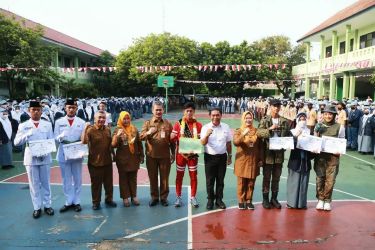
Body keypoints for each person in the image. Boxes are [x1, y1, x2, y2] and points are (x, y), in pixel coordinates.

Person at [14, 100, 55, 219]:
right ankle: (37, 207)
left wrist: (46, 151)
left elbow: (51, 141)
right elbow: (16, 142)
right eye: (33, 110)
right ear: (29, 111)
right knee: (33, 184)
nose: (36, 112)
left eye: (38, 110)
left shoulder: (47, 124)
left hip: (45, 156)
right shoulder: (24, 125)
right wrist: (27, 134)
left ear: (41, 111)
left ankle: (48, 205)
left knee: (46, 182)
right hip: (31, 157)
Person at [140, 101, 175, 207]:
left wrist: (173, 153)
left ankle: (164, 198)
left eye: (160, 109)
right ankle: (154, 197)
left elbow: (172, 140)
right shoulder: (147, 123)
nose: (159, 112)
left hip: (164, 156)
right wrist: (148, 132)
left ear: (163, 110)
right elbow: (141, 137)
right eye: (156, 110)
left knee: (164, 178)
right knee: (153, 177)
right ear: (152, 111)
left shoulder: (167, 123)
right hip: (151, 156)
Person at [257, 99, 291, 209]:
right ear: (270, 107)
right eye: (274, 106)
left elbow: (289, 135)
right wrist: (270, 129)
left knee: (276, 178)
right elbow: (259, 133)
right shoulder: (265, 120)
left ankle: (274, 198)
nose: (276, 108)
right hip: (268, 154)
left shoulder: (284, 121)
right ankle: (265, 199)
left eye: (278, 106)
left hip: (279, 155)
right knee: (267, 177)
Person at [54, 98, 85, 213]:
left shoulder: (81, 122)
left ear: (76, 108)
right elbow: (55, 139)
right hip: (63, 152)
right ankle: (68, 201)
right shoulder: (59, 122)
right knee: (66, 179)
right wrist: (60, 137)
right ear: (65, 108)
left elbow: (83, 139)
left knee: (77, 178)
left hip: (77, 152)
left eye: (73, 107)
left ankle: (76, 201)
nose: (71, 109)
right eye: (69, 107)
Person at [81, 110, 117, 210]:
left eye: (103, 117)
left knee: (109, 183)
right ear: (95, 119)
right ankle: (96, 202)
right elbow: (84, 142)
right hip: (95, 162)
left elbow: (110, 145)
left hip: (107, 161)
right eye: (99, 117)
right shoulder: (90, 130)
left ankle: (109, 199)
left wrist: (113, 155)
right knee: (96, 184)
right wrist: (84, 129)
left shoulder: (107, 129)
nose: (101, 119)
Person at [170, 102, 202, 208]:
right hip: (181, 155)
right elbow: (172, 138)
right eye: (187, 111)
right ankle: (178, 197)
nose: (189, 113)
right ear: (184, 111)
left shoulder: (198, 125)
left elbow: (201, 141)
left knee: (193, 176)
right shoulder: (178, 124)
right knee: (179, 176)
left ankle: (193, 197)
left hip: (193, 155)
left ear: (194, 112)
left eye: (191, 111)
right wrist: (171, 135)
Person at [314, 105, 345, 211]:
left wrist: (339, 151)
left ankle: (327, 200)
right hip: (320, 158)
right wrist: (315, 133)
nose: (328, 116)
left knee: (330, 181)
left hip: (333, 158)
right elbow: (314, 141)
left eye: (330, 114)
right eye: (326, 114)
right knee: (320, 179)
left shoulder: (339, 127)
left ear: (334, 115)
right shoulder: (318, 126)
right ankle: (320, 199)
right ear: (323, 115)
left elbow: (342, 141)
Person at [201, 107, 232, 210]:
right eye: (213, 115)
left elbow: (228, 143)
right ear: (210, 116)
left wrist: (230, 156)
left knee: (220, 180)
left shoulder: (226, 127)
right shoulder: (205, 127)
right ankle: (210, 200)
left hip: (222, 157)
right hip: (209, 157)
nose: (215, 117)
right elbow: (203, 143)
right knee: (210, 181)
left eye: (217, 115)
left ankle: (219, 200)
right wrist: (207, 135)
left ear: (221, 115)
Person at [112, 111, 144, 207]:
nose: (126, 120)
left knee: (133, 179)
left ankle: (134, 196)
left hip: (133, 158)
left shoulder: (134, 129)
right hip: (122, 159)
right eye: (124, 119)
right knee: (123, 179)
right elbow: (113, 145)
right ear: (121, 119)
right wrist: (117, 136)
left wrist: (141, 155)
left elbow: (139, 143)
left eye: (128, 118)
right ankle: (125, 198)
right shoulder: (117, 129)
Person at [233, 111, 263, 210]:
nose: (248, 120)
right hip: (242, 160)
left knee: (251, 182)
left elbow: (260, 147)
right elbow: (236, 143)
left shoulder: (256, 131)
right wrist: (243, 134)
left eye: (250, 118)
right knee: (241, 182)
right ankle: (241, 201)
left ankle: (249, 200)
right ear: (243, 119)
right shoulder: (239, 130)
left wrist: (261, 159)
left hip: (253, 160)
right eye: (246, 118)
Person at [286, 113, 314, 209]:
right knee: (293, 182)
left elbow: (312, 148)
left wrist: (314, 150)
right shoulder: (293, 131)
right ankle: (291, 203)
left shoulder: (309, 132)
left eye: (304, 119)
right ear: (297, 120)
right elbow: (289, 146)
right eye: (301, 119)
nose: (303, 121)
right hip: (295, 161)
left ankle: (301, 204)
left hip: (305, 162)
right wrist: (295, 137)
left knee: (303, 183)